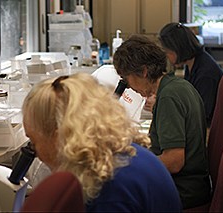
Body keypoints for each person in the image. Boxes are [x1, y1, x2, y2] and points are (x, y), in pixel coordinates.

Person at [22, 72, 182, 212]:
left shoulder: (108, 192)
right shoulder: (124, 154)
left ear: (60, 138)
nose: (37, 155)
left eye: (34, 142)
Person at [113, 35, 211, 209]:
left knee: (115, 193)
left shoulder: (168, 97)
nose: (127, 86)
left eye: (126, 78)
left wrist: (130, 166)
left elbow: (174, 161)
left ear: (143, 71)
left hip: (183, 191)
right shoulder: (177, 86)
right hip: (192, 185)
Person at [158, 22, 223, 127]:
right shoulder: (192, 64)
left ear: (178, 49)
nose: (167, 57)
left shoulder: (206, 74)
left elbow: (201, 115)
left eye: (167, 52)